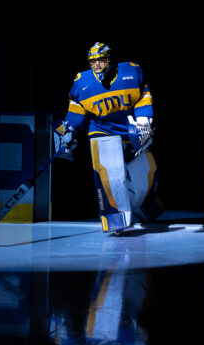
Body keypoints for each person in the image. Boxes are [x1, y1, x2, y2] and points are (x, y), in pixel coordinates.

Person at [54, 42, 164, 233]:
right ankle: (115, 218)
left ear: (110, 59)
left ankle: (143, 207)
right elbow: (77, 106)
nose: (97, 64)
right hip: (102, 132)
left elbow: (143, 96)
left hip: (132, 131)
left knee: (148, 175)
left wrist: (144, 119)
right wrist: (69, 128)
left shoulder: (132, 71)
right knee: (110, 174)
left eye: (101, 60)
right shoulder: (82, 81)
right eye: (93, 61)